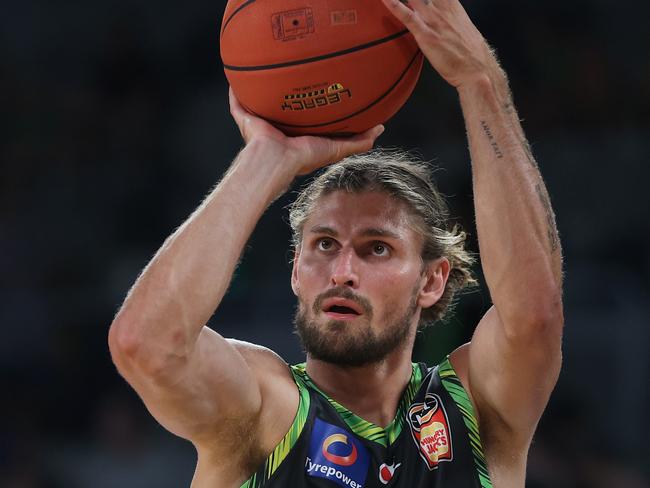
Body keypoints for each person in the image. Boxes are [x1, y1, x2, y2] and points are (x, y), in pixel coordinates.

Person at [108, 0, 564, 486]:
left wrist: (481, 83)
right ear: (295, 271)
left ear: (432, 280)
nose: (342, 270)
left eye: (377, 248)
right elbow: (147, 346)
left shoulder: (476, 411)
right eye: (324, 245)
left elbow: (534, 315)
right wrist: (266, 158)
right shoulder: (265, 409)